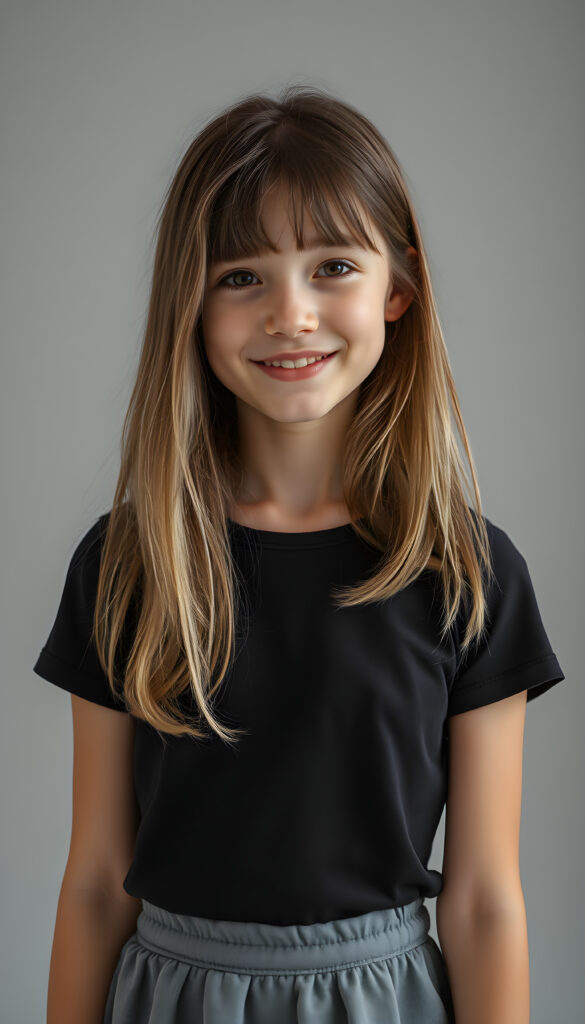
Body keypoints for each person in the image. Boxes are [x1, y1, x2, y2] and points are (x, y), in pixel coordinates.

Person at [33, 84, 566, 1024]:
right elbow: (95, 882)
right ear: (190, 303)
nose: (290, 314)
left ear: (397, 291)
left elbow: (483, 900)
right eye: (242, 276)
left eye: (332, 267)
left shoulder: (467, 573)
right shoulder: (126, 564)